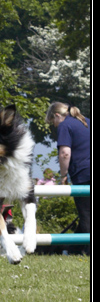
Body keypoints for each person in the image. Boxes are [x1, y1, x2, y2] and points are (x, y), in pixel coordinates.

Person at [46, 102, 91, 253]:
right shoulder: (86, 122)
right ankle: (73, 250)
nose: (54, 125)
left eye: (53, 122)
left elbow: (65, 153)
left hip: (83, 174)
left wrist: (63, 176)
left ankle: (83, 251)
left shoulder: (65, 125)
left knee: (86, 216)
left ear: (57, 116)